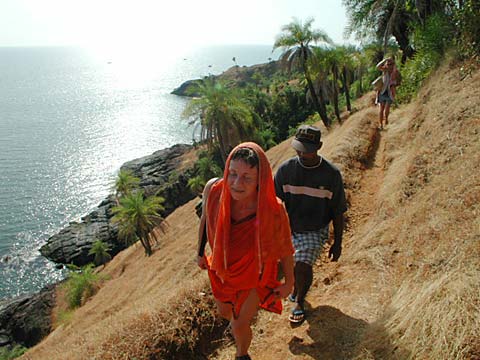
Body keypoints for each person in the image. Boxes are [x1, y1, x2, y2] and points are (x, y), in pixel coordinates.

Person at [197, 142, 295, 360]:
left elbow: (285, 247)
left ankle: (242, 355)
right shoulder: (214, 192)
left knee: (239, 324)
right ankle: (238, 329)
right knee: (227, 313)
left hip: (255, 274)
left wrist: (289, 282)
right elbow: (205, 219)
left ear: (260, 180)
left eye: (247, 177)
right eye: (232, 174)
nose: (236, 183)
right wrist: (199, 252)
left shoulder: (273, 209)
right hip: (221, 268)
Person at [274, 125, 347, 323]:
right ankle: (296, 286)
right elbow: (274, 206)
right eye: (299, 148)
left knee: (302, 264)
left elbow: (338, 211)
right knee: (292, 265)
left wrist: (338, 242)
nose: (302, 152)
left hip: (315, 229)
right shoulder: (285, 171)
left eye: (307, 149)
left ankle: (299, 301)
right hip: (289, 227)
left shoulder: (331, 175)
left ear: (319, 146)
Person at [376, 57, 401, 129]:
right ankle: (381, 124)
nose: (389, 66)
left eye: (391, 64)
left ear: (393, 64)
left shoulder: (394, 72)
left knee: (386, 108)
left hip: (389, 92)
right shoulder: (385, 70)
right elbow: (377, 66)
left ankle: (385, 120)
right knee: (382, 109)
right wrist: (384, 60)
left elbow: (399, 81)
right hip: (383, 91)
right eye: (388, 64)